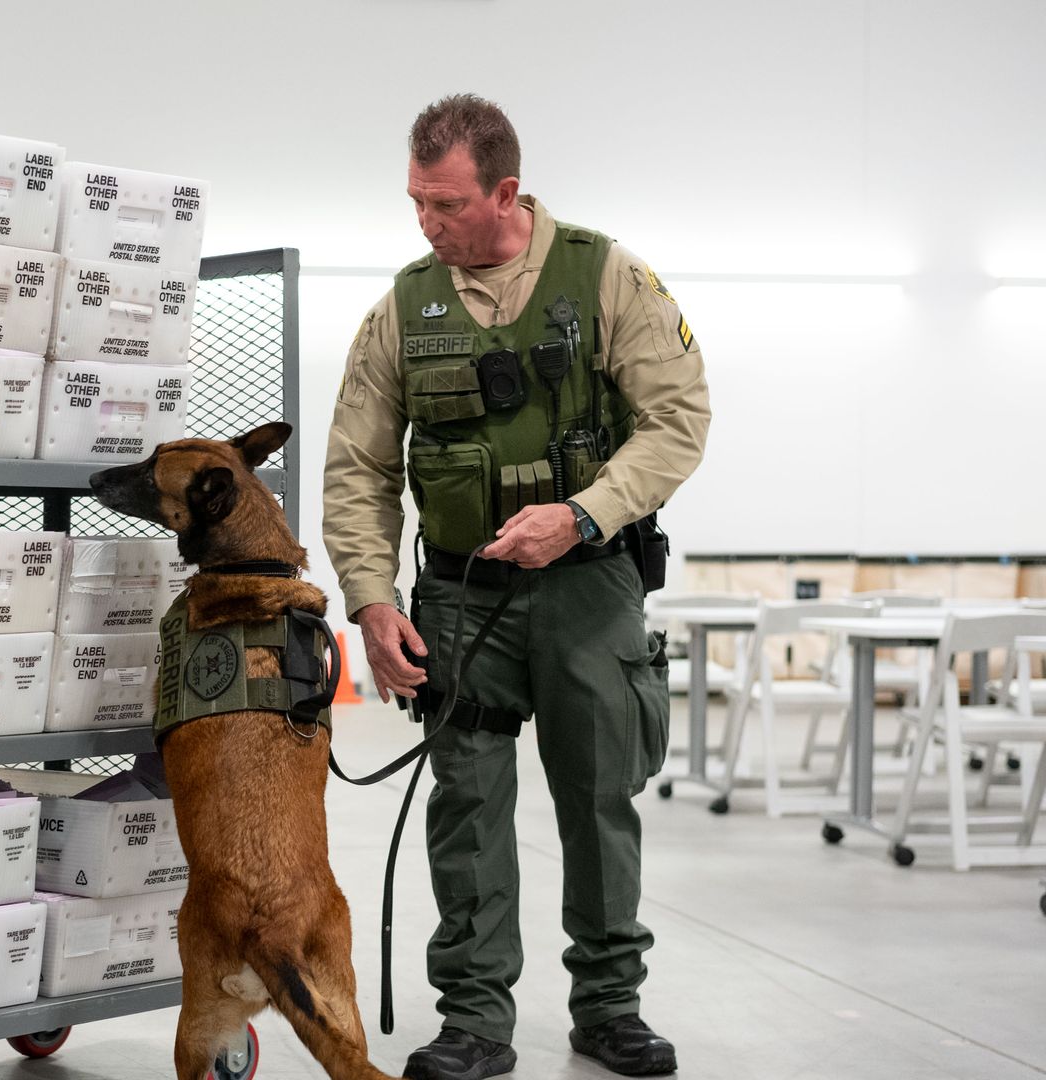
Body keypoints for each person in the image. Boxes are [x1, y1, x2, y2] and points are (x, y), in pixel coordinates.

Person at [322, 93, 711, 1080]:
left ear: (506, 191)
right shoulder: (404, 310)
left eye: (445, 204)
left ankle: (610, 1007)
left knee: (598, 800)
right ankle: (474, 1021)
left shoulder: (605, 275)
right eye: (415, 201)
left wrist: (583, 514)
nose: (426, 223)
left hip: (590, 590)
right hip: (459, 602)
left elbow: (678, 420)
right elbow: (358, 470)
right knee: (467, 805)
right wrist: (371, 602)